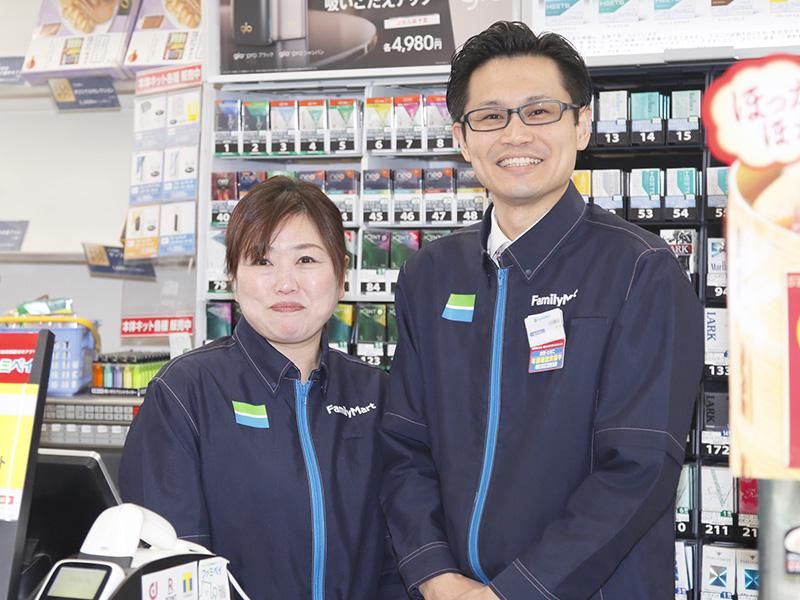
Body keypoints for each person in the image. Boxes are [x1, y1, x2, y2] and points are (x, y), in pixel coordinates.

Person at [380, 21, 703, 600]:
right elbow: (404, 447)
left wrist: (515, 591)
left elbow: (639, 467)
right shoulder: (430, 275)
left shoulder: (640, 269)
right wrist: (434, 575)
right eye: (490, 116)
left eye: (538, 111)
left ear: (581, 124)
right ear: (462, 138)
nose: (515, 134)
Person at [119, 176, 407, 599]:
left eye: (306, 260)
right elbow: (172, 567)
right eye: (261, 261)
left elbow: (401, 551)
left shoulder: (376, 394)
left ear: (341, 275)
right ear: (233, 277)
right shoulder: (185, 392)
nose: (285, 283)